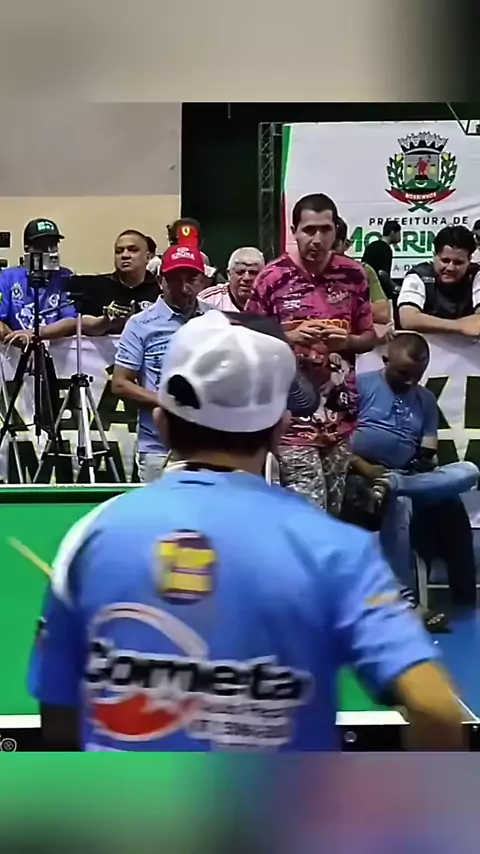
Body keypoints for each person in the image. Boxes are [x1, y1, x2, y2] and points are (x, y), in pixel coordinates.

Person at [29, 310, 464, 752]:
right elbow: (437, 709)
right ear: (278, 431)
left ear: (161, 422)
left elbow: (59, 720)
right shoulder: (337, 549)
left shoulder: (91, 535)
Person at [246, 193, 375, 516]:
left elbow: (369, 338)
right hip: (290, 420)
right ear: (294, 231)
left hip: (340, 418)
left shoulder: (354, 275)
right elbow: (246, 338)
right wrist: (288, 337)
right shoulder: (272, 278)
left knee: (332, 515)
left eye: (325, 229)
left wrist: (346, 341)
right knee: (309, 515)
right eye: (309, 230)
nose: (317, 239)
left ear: (336, 231)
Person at [349, 333, 478, 610]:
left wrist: (419, 469)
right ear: (386, 360)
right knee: (398, 505)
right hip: (360, 472)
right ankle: (406, 601)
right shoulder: (360, 386)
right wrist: (366, 468)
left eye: (417, 375)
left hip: (406, 475)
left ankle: (464, 598)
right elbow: (335, 442)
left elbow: (427, 451)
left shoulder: (426, 399)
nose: (410, 381)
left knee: (468, 473)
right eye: (403, 373)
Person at [111, 244, 210, 484]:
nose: (184, 288)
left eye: (191, 279)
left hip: (210, 447)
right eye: (175, 279)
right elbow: (120, 384)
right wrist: (167, 402)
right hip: (158, 449)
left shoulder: (215, 320)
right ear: (160, 280)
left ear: (202, 281)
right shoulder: (141, 324)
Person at [0, 218, 77, 348]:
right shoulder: (7, 277)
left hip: (53, 350)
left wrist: (35, 334)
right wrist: (17, 340)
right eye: (41, 245)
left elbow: (71, 320)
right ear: (27, 247)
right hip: (15, 351)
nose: (49, 250)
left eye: (53, 244)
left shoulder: (65, 276)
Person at [398, 225, 480, 336]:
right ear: (434, 256)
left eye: (458, 263)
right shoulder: (418, 276)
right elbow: (407, 319)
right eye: (445, 261)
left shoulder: (476, 275)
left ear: (469, 260)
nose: (450, 268)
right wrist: (460, 326)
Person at [80, 230, 161, 337]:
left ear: (148, 257)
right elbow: (84, 326)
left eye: (133, 250)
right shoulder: (98, 286)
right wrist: (106, 322)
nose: (125, 255)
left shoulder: (160, 288)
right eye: (119, 251)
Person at [334, 219, 391, 326]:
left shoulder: (363, 270)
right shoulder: (302, 272)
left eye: (333, 246)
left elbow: (382, 313)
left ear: (345, 244)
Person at [199, 247, 265, 311]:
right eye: (240, 272)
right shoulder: (209, 300)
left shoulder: (269, 300)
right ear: (229, 274)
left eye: (253, 273)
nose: (246, 278)